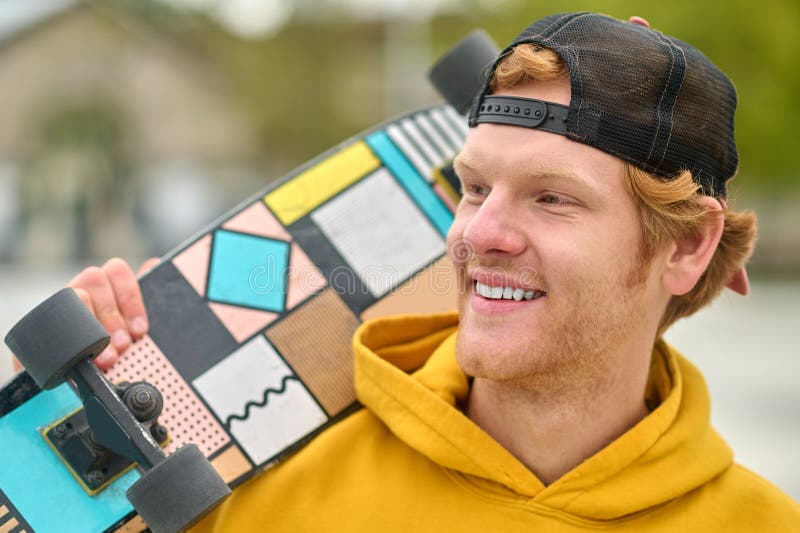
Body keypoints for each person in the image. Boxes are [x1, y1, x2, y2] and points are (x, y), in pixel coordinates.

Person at [64, 12, 799, 531]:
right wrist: (61, 411)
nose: (477, 234)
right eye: (473, 187)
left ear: (687, 248)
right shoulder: (239, 489)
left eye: (552, 198)